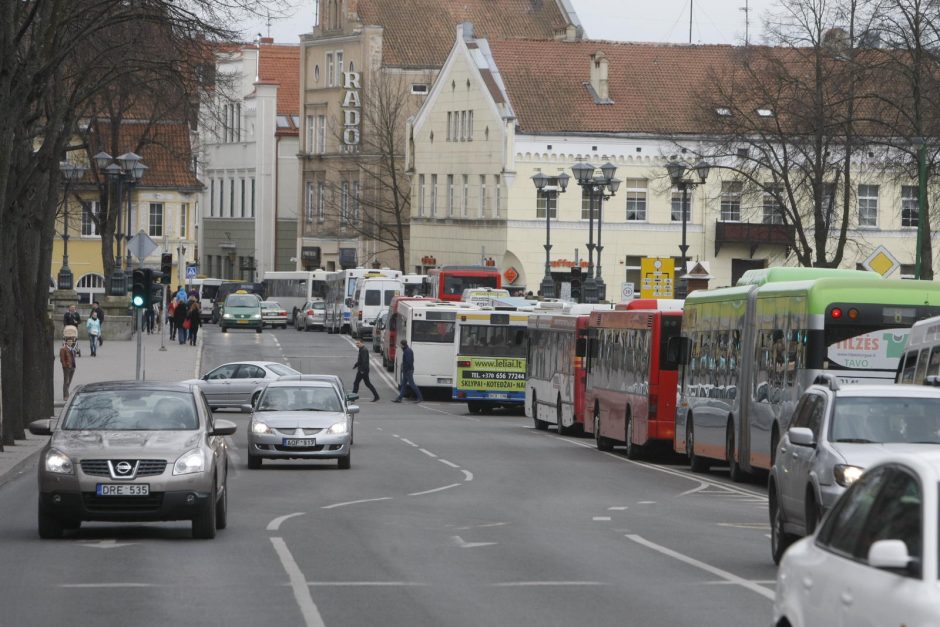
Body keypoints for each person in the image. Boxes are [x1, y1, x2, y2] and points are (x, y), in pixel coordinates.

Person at [59, 335, 77, 400]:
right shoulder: (63, 349)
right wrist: (65, 366)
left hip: (72, 367)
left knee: (69, 381)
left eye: (71, 341)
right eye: (68, 341)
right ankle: (65, 396)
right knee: (66, 381)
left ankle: (67, 393)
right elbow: (62, 359)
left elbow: (73, 357)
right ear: (66, 342)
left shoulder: (72, 349)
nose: (70, 342)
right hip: (67, 367)